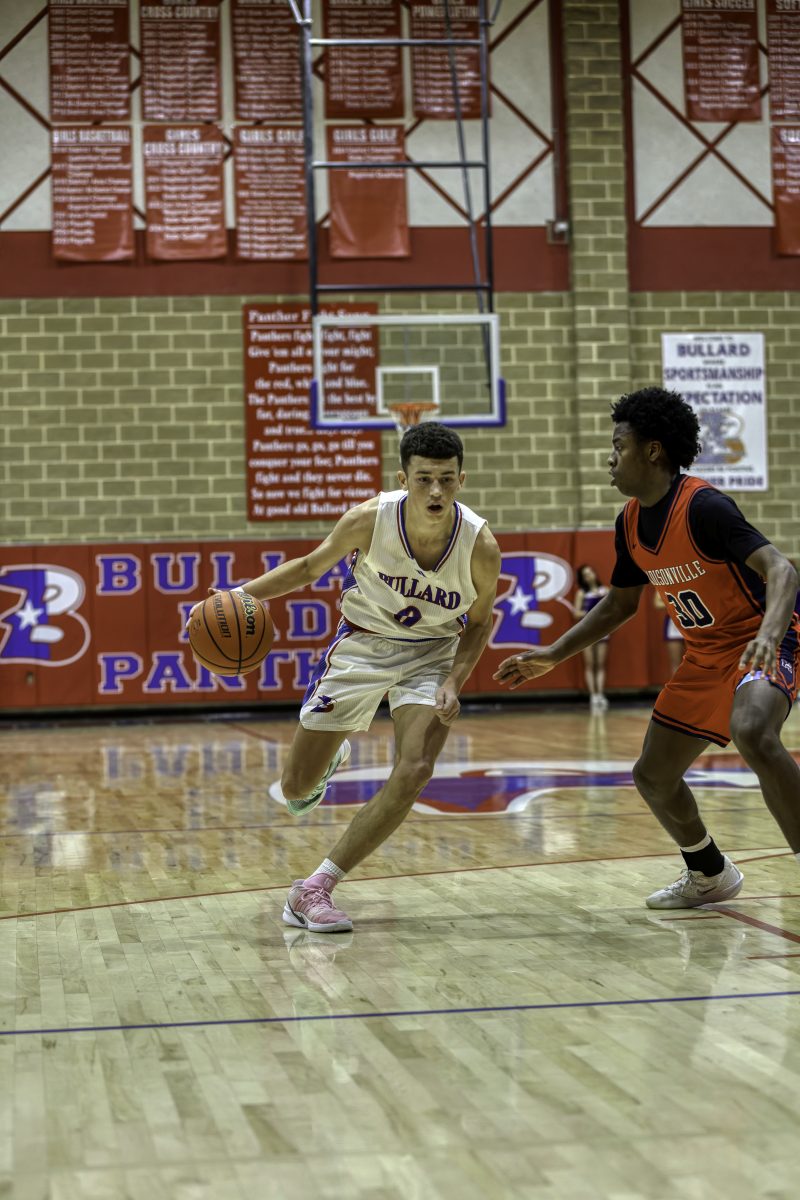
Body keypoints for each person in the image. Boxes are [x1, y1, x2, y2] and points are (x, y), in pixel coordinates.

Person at [494, 386, 800, 908]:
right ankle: (709, 873)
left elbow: (782, 570)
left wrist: (769, 635)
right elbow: (619, 605)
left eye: (619, 446)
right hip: (705, 655)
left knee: (752, 730)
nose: (610, 458)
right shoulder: (630, 523)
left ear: (653, 450)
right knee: (653, 775)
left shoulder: (704, 507)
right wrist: (552, 655)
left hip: (762, 639)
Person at [197, 423, 500, 933]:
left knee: (416, 768)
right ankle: (332, 755)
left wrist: (454, 681)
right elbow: (308, 568)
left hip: (432, 653)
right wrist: (237, 595)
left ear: (462, 480)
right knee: (295, 790)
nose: (436, 491)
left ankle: (315, 887)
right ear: (402, 478)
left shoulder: (480, 546)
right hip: (363, 644)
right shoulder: (368, 519)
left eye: (446, 480)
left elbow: (480, 622)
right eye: (424, 479)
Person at [572, 564, 610, 711]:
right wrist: (589, 611)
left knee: (600, 663)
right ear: (583, 579)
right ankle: (593, 695)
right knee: (590, 663)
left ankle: (600, 694)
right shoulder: (582, 593)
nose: (590, 576)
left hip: (602, 630)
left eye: (591, 572)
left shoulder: (605, 590)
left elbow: (612, 609)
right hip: (586, 631)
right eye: (586, 574)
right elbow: (576, 613)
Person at [654, 589, 685, 675]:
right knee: (676, 663)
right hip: (674, 623)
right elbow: (657, 603)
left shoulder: (693, 581)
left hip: (696, 621)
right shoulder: (665, 583)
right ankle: (678, 683)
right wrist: (676, 604)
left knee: (701, 660)